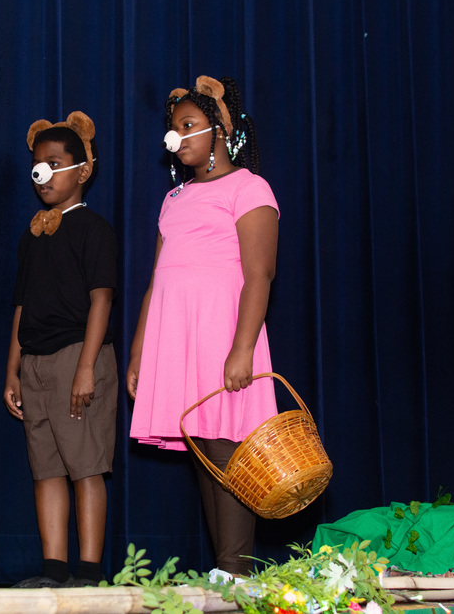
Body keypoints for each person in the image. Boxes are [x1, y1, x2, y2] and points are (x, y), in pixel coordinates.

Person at [127, 76, 278, 575]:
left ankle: (236, 571)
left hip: (223, 335)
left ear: (219, 129)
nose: (177, 137)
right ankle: (228, 569)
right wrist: (138, 353)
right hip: (176, 342)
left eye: (188, 126)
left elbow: (260, 274)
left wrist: (242, 349)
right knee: (203, 456)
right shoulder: (174, 200)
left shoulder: (249, 187)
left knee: (226, 450)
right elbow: (156, 281)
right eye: (173, 129)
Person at [4, 112, 119, 588]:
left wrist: (87, 368)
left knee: (85, 465)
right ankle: (53, 570)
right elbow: (21, 307)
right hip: (35, 363)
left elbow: (102, 299)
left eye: (54, 163)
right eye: (37, 164)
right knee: (46, 469)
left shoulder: (94, 229)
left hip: (78, 356)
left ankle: (88, 573)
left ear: (82, 171)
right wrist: (12, 371)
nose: (43, 174)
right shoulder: (32, 237)